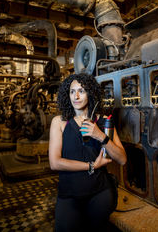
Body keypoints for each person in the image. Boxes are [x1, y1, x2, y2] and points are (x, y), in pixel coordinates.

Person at [49, 73, 127, 232]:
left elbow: (122, 159)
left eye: (81, 91)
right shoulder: (60, 122)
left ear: (90, 93)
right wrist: (92, 165)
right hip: (69, 195)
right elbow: (55, 162)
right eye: (72, 91)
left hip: (100, 193)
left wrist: (100, 136)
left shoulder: (104, 121)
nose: (76, 96)